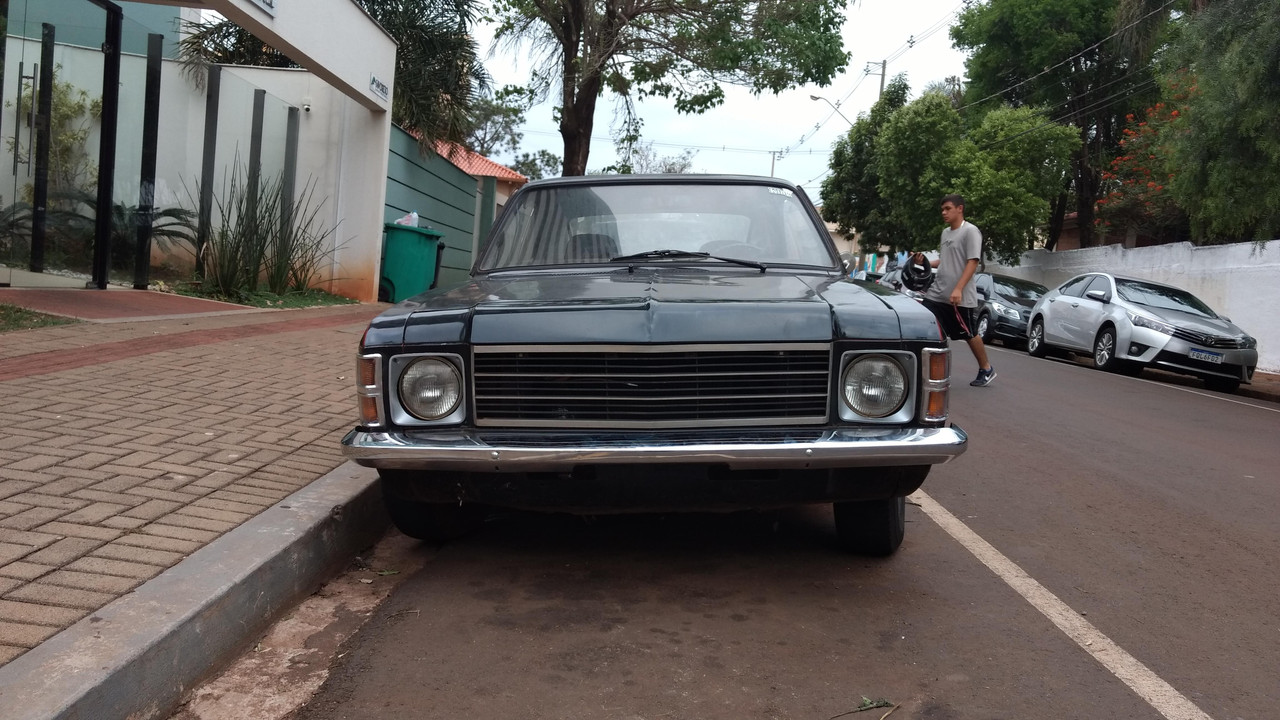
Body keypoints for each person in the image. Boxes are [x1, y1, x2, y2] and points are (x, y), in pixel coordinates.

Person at [913, 194, 996, 387]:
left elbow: (972, 261)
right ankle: (923, 369)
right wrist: (923, 261)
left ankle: (986, 368)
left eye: (948, 208)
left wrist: (958, 288)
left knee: (968, 333)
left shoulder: (971, 231)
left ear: (960, 208)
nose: (944, 212)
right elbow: (945, 260)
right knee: (926, 326)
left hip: (959, 297)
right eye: (942, 209)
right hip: (936, 293)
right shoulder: (945, 233)